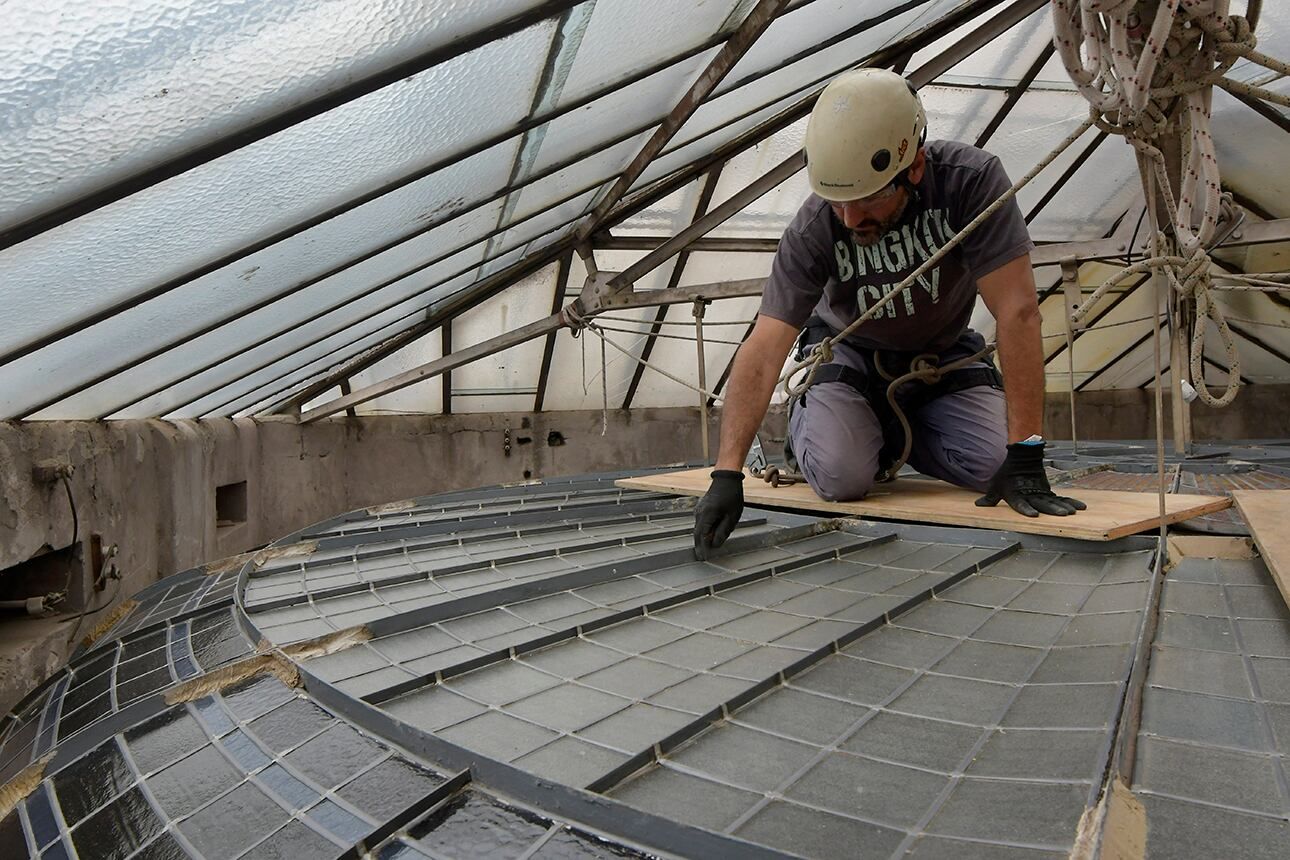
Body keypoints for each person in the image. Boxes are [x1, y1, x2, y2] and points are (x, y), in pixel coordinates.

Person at [694, 68, 1084, 560]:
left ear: (914, 166)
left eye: (870, 198)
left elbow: (1019, 312)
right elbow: (766, 343)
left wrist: (1027, 453)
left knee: (998, 469)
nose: (852, 219)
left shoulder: (971, 183)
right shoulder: (813, 228)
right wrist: (727, 474)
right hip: (851, 363)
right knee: (841, 477)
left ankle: (893, 433)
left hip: (938, 362)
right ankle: (822, 425)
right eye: (839, 203)